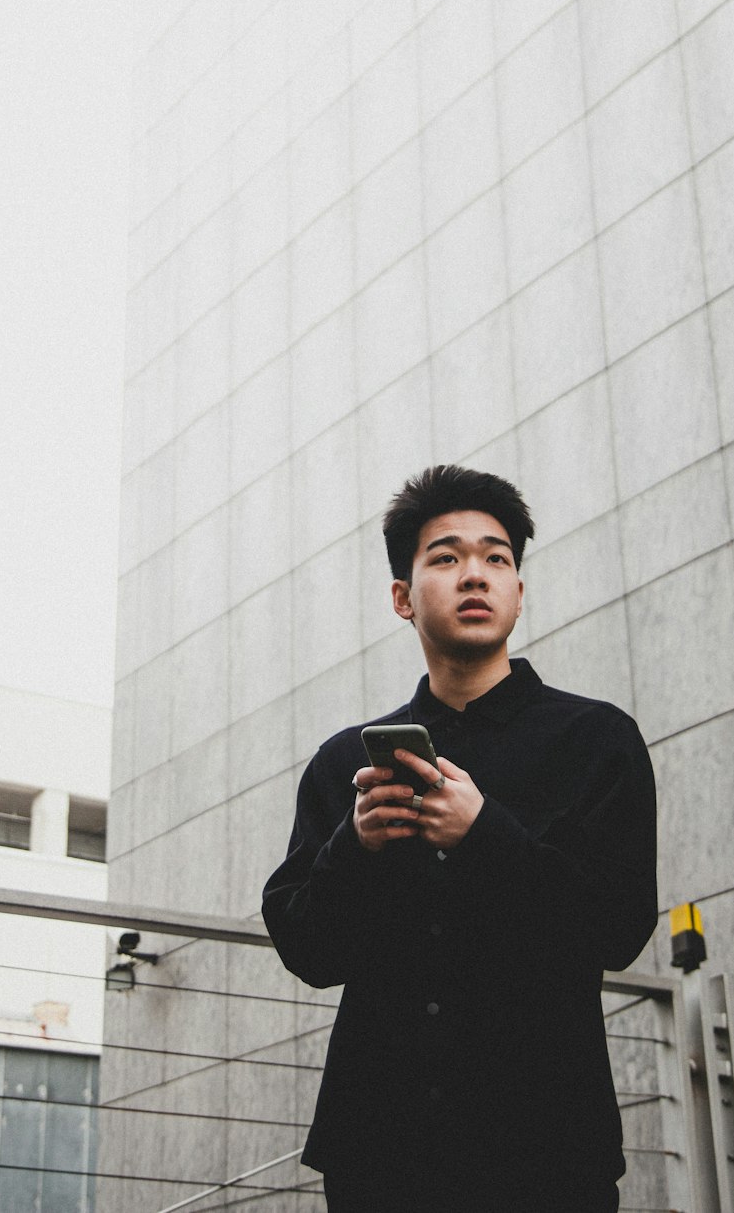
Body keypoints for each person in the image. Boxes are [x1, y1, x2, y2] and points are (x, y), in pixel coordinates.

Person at [262, 464, 657, 1212]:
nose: (474, 574)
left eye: (496, 557)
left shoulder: (596, 739)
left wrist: (485, 835)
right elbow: (306, 950)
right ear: (402, 598)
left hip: (545, 1147)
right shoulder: (348, 763)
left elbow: (617, 927)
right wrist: (356, 846)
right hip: (379, 1151)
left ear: (517, 588)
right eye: (445, 557)